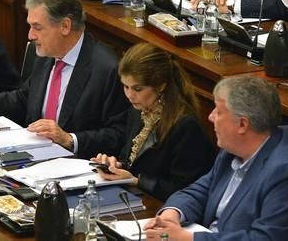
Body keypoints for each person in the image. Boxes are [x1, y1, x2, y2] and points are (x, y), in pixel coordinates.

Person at [0, 0, 128, 159]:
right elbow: (23, 99)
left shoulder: (107, 69)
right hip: (33, 157)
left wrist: (69, 139)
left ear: (65, 26)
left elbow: (118, 135)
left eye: (37, 27)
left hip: (77, 166)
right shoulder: (45, 54)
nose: (30, 35)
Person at [144, 76, 288, 241]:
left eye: (218, 111)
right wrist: (172, 214)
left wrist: (189, 239)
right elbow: (202, 190)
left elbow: (265, 238)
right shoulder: (236, 147)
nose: (210, 116)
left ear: (242, 124)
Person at [90, 43, 215, 201]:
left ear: (161, 85)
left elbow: (185, 188)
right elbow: (130, 160)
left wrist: (136, 181)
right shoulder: (139, 110)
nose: (129, 95)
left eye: (137, 89)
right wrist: (114, 165)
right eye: (125, 86)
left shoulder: (185, 125)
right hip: (136, 197)